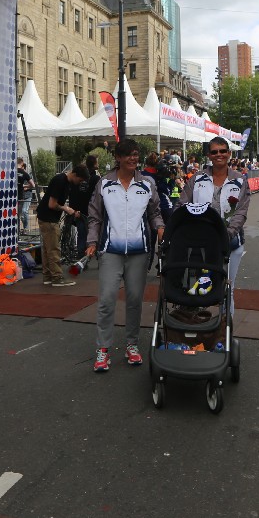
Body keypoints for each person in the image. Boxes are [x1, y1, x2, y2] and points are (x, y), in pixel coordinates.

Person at [84, 140, 164, 373]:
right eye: (128, 155)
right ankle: (103, 349)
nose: (133, 159)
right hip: (111, 250)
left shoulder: (147, 183)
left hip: (139, 251)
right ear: (118, 158)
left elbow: (155, 213)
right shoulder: (104, 183)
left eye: (136, 154)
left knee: (134, 300)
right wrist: (91, 241)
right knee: (107, 299)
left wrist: (160, 228)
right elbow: (95, 216)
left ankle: (132, 345)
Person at [180, 137, 251, 297]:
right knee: (198, 288)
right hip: (200, 242)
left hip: (231, 242)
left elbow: (241, 212)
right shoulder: (196, 178)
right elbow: (182, 205)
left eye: (223, 151)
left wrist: (227, 234)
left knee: (227, 288)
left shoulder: (240, 180)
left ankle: (226, 313)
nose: (219, 154)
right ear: (209, 155)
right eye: (214, 152)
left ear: (229, 153)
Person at [36, 165, 87, 287]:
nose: (80, 183)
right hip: (48, 218)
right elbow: (52, 204)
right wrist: (66, 208)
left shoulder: (65, 182)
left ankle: (48, 276)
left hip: (46, 217)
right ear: (75, 175)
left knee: (47, 249)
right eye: (80, 180)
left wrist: (71, 210)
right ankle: (57, 278)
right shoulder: (60, 181)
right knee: (53, 248)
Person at [16, 158, 35, 232]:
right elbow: (33, 185)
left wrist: (24, 186)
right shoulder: (24, 173)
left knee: (20, 213)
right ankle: (18, 232)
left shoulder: (10, 171)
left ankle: (23, 228)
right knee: (18, 214)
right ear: (22, 164)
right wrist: (24, 186)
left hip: (12, 196)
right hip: (20, 196)